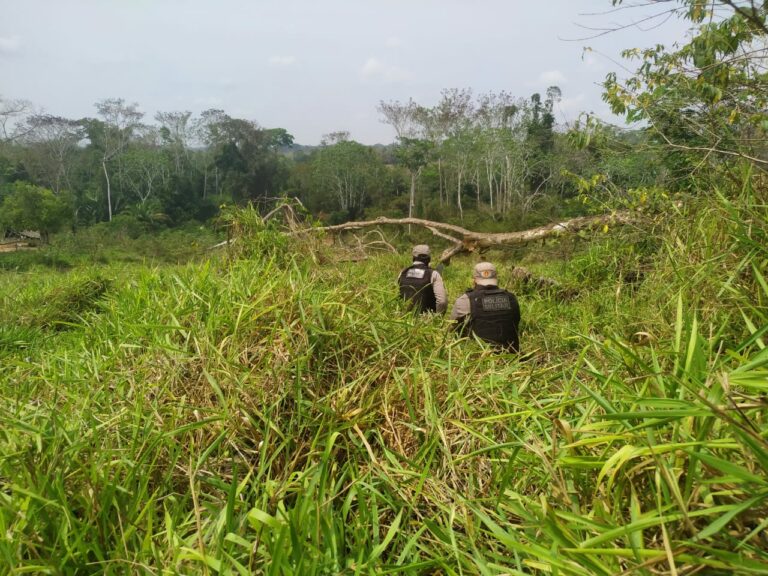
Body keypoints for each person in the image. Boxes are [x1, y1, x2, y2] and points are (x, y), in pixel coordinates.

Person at [450, 261, 520, 352]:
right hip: (511, 353)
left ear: (474, 279)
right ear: (496, 278)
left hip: (478, 355)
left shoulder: (465, 299)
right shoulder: (511, 298)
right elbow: (516, 322)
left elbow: (452, 326)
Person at [398, 244, 447, 314]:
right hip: (425, 320)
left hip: (402, 320)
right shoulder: (433, 274)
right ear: (429, 258)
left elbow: (396, 295)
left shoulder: (402, 273)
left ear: (413, 257)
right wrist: (437, 319)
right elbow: (442, 302)